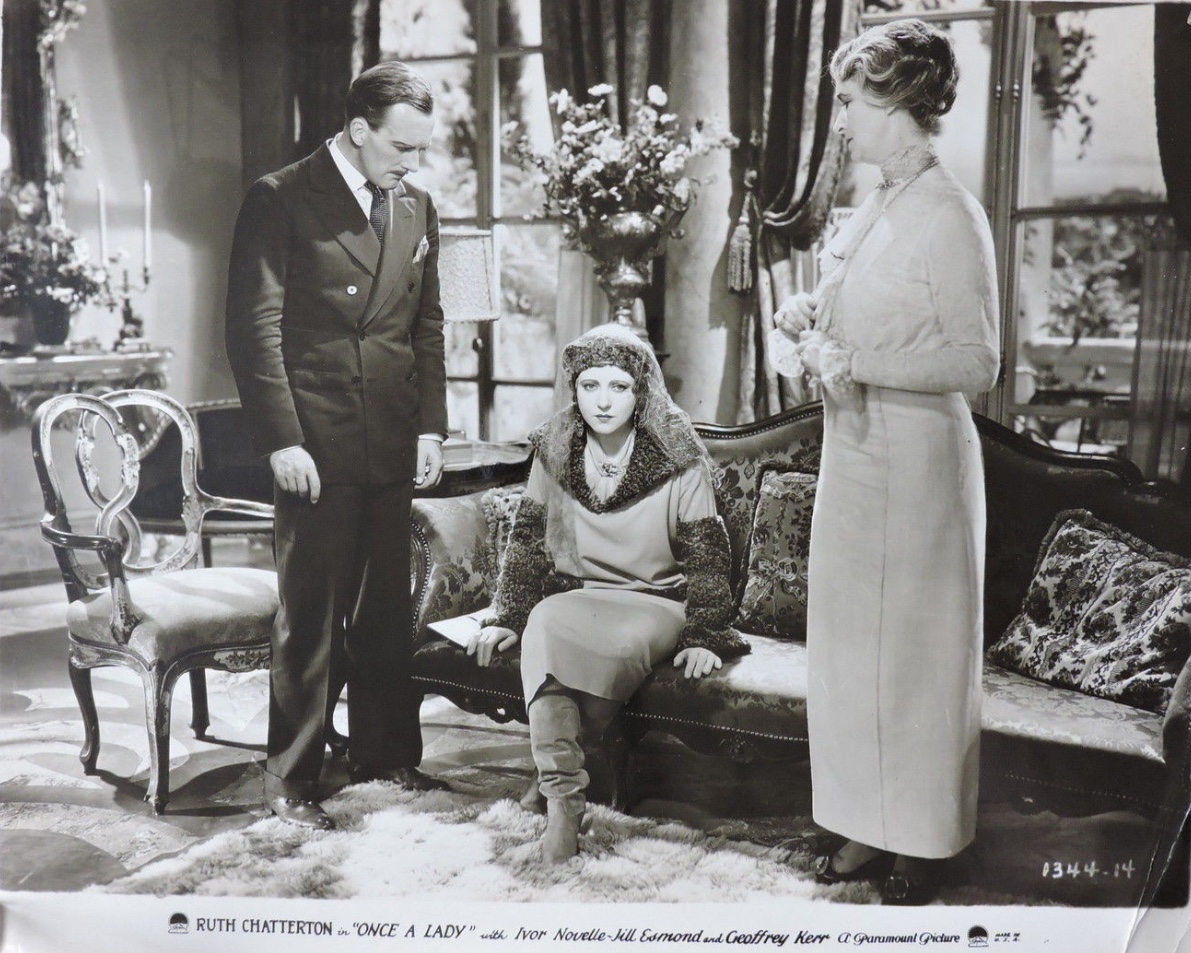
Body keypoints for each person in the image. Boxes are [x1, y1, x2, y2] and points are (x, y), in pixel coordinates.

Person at [771, 19, 1000, 904]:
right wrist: (808, 317)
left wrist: (855, 361)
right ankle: (864, 823)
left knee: (913, 655)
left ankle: (924, 840)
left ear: (899, 102)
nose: (839, 122)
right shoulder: (873, 204)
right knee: (848, 651)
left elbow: (977, 362)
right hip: (855, 452)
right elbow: (858, 311)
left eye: (848, 103)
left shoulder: (950, 213)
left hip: (921, 461)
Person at [225, 61, 450, 831]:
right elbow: (253, 329)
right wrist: (281, 439)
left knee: (387, 613)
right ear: (358, 130)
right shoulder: (281, 196)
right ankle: (291, 776)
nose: (411, 164)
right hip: (314, 444)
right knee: (311, 618)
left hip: (391, 434)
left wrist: (430, 426)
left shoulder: (417, 205)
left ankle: (384, 759)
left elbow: (426, 327)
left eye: (419, 150)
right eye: (400, 147)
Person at [466, 323, 750, 862]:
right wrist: (507, 615)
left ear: (640, 391)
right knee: (543, 624)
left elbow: (707, 553)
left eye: (618, 387)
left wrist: (705, 633)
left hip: (656, 602)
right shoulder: (554, 447)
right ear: (573, 388)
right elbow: (527, 539)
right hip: (578, 594)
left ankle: (553, 784)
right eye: (589, 385)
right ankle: (564, 802)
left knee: (614, 643)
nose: (602, 401)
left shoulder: (678, 450)